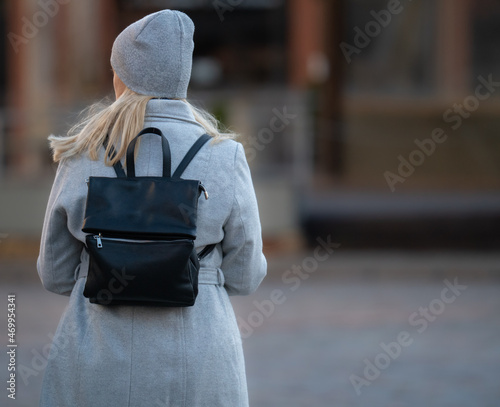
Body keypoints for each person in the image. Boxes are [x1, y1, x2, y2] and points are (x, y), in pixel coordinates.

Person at [37, 9, 267, 407]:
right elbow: (246, 276)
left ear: (122, 76)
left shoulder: (81, 154)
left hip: (96, 361)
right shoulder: (225, 156)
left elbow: (54, 275)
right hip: (200, 363)